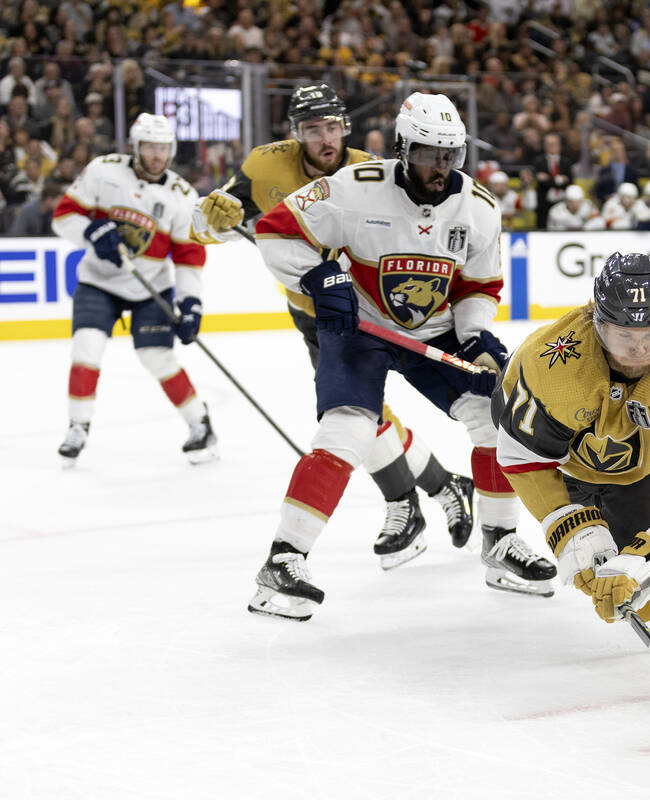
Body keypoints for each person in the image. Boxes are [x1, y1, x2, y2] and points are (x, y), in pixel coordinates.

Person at [248, 92, 556, 620]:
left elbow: (479, 286)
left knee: (495, 420)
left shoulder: (479, 209)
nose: (440, 169)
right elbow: (274, 232)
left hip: (435, 333)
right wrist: (323, 277)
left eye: (450, 156)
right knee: (347, 429)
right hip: (360, 328)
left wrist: (478, 337)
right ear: (402, 147)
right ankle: (283, 561)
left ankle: (500, 544)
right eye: (428, 155)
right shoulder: (352, 189)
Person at [191, 84, 475, 573]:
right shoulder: (265, 166)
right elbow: (205, 226)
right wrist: (210, 217)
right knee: (360, 414)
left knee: (354, 416)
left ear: (345, 126)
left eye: (332, 127)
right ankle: (439, 486)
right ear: (295, 133)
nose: (325, 138)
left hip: (366, 314)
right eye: (312, 130)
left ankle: (405, 503)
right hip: (312, 312)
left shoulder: (369, 173)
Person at [494, 252, 650, 622]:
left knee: (642, 590)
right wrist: (567, 523)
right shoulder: (551, 364)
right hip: (569, 468)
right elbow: (522, 455)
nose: (639, 349)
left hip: (640, 474)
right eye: (624, 334)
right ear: (598, 323)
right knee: (592, 567)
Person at [51, 113, 216, 467]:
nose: (157, 155)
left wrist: (191, 304)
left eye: (163, 148)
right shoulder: (103, 170)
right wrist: (91, 232)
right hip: (99, 280)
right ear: (135, 147)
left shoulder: (182, 196)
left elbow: (189, 256)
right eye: (150, 147)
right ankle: (77, 426)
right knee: (87, 347)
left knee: (157, 357)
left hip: (150, 288)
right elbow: (63, 216)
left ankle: (200, 424)